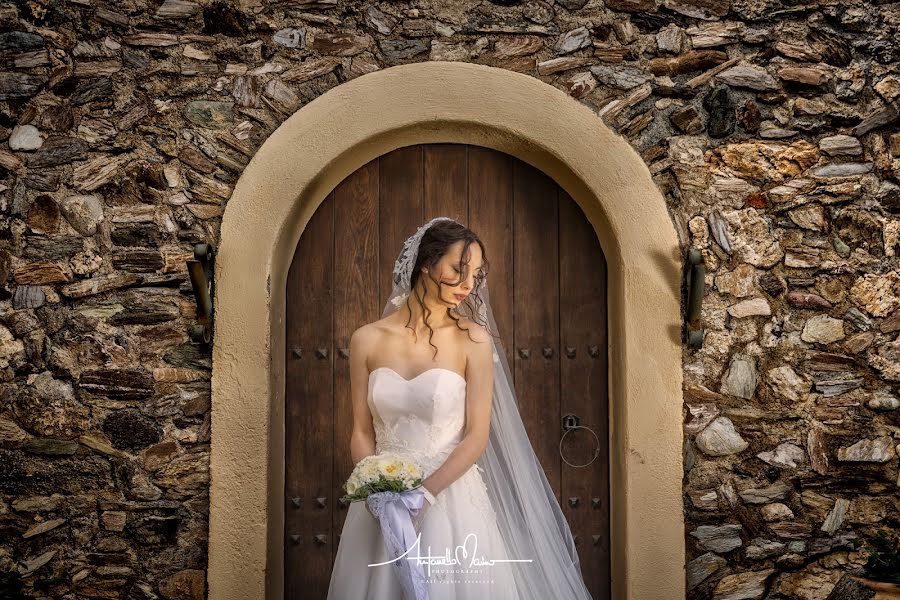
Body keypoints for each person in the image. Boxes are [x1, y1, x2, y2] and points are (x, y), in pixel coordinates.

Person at [326, 217, 593, 600]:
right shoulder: (366, 339)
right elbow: (361, 431)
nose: (468, 285)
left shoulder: (474, 340)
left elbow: (477, 434)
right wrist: (378, 495)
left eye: (476, 275)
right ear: (425, 263)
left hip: (449, 498)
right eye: (458, 269)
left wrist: (424, 495)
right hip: (382, 505)